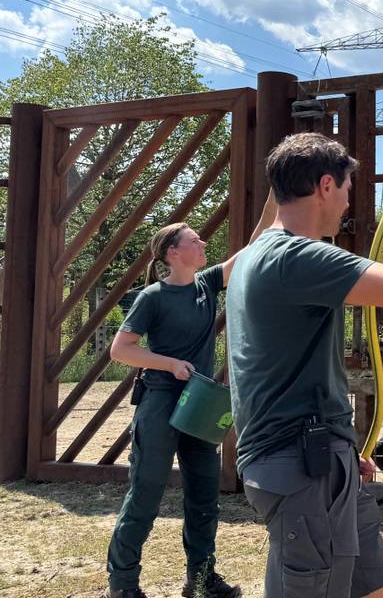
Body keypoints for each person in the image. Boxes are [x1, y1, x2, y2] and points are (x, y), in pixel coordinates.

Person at [227, 132, 383, 598]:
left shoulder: (252, 257)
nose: (349, 202)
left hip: (318, 460)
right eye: (349, 188)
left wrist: (340, 451)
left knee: (382, 592)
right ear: (326, 186)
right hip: (302, 469)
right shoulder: (301, 257)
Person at [105, 194, 279, 598]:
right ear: (172, 252)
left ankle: (200, 582)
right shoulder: (152, 297)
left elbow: (255, 244)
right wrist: (169, 364)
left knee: (204, 496)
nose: (203, 245)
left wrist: (275, 195)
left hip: (199, 404)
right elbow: (121, 350)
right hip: (161, 399)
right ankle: (122, 586)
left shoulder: (207, 284)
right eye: (196, 240)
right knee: (145, 495)